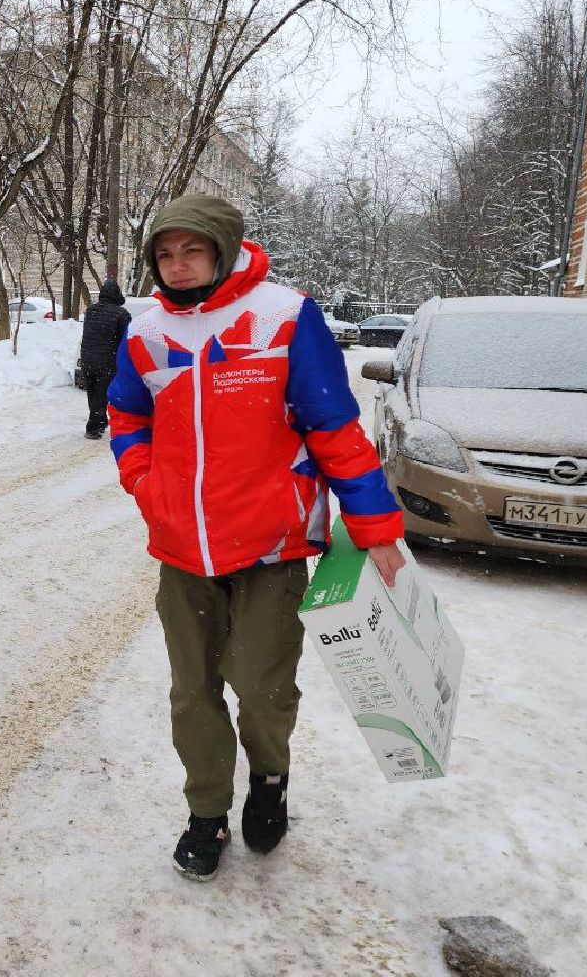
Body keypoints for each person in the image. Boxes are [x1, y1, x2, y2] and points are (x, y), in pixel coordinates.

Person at [107, 193, 405, 881]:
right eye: (166, 254)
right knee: (192, 690)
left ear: (223, 247)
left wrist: (375, 527)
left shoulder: (282, 316)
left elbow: (333, 428)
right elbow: (127, 416)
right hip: (182, 548)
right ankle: (206, 810)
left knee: (262, 686)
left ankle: (269, 779)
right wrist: (143, 482)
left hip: (272, 546)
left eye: (193, 251)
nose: (178, 267)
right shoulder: (146, 333)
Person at [78, 279, 133, 439]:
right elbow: (127, 340)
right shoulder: (121, 314)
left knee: (93, 393)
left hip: (87, 359)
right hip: (107, 361)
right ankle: (92, 427)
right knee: (101, 395)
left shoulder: (90, 311)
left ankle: (100, 422)